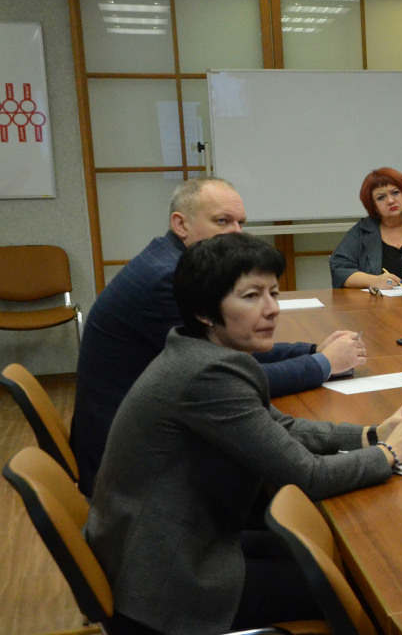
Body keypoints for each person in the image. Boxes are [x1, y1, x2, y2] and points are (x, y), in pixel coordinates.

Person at [84, 233, 402, 635]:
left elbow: (280, 426)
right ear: (204, 312)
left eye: (273, 293)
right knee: (362, 591)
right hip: (167, 585)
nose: (272, 309)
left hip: (173, 548)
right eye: (251, 296)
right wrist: (390, 453)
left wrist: (370, 433)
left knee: (339, 556)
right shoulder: (208, 374)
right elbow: (307, 477)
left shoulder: (202, 352)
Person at [70, 177, 364, 496]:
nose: (236, 233)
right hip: (136, 472)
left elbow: (233, 348)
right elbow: (229, 378)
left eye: (241, 223)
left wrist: (311, 350)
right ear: (180, 224)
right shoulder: (171, 280)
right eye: (222, 221)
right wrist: (323, 364)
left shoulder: (176, 263)